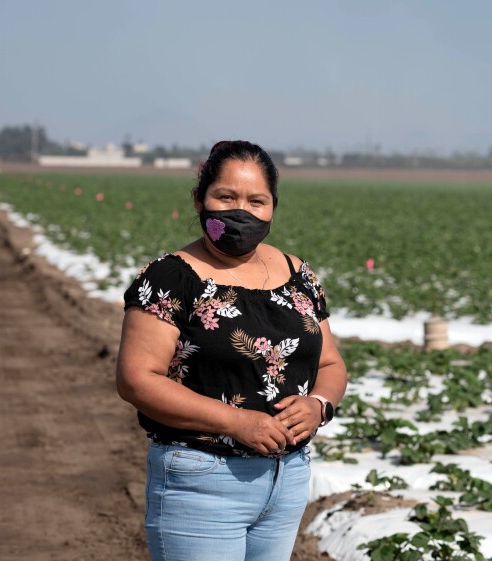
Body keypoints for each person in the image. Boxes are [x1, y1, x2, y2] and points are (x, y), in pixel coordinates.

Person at [116, 140, 347, 561]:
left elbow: (330, 362)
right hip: (202, 479)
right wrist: (237, 422)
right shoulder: (170, 278)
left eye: (256, 201)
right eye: (226, 197)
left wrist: (319, 405)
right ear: (200, 199)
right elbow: (136, 379)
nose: (241, 211)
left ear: (272, 206)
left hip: (288, 478)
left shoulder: (299, 274)